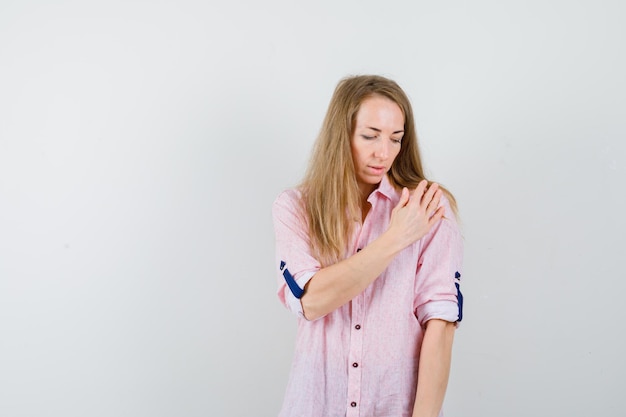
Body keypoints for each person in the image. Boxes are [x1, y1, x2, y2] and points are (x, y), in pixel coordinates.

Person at [272, 75, 463, 417]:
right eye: (370, 136)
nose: (383, 152)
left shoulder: (429, 207)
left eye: (395, 139)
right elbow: (312, 301)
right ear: (340, 133)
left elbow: (440, 324)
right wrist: (396, 237)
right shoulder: (295, 207)